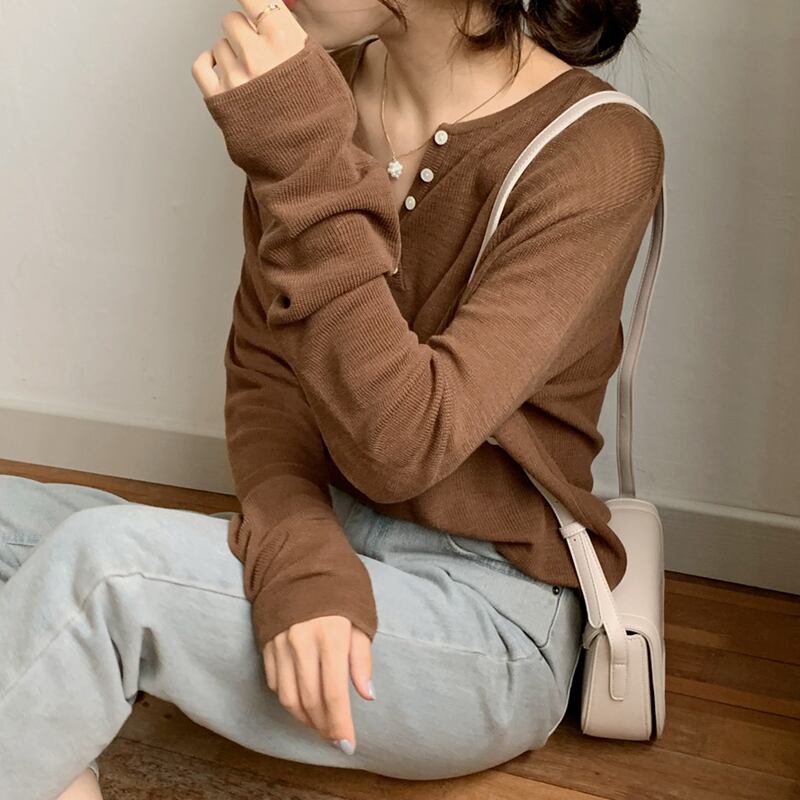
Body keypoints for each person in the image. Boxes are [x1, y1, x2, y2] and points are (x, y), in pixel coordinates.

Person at [0, 0, 664, 797]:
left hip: (484, 612)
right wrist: (303, 557)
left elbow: (404, 445)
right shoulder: (324, 92)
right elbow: (267, 378)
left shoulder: (599, 151)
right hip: (322, 534)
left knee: (103, 570)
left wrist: (298, 147)